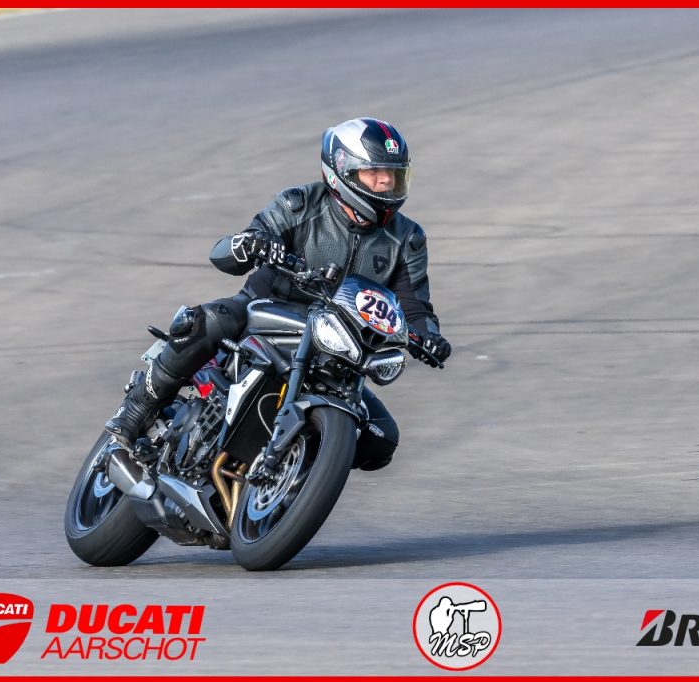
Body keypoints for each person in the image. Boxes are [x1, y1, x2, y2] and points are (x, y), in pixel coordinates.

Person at [104, 117, 451, 472]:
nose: (386, 182)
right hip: (269, 313)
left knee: (382, 439)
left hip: (339, 346)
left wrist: (429, 337)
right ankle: (135, 413)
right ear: (343, 172)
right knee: (210, 321)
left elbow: (414, 306)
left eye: (393, 174)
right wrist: (253, 243)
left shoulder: (407, 238)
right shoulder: (300, 204)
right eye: (374, 172)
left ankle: (297, 474)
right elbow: (229, 251)